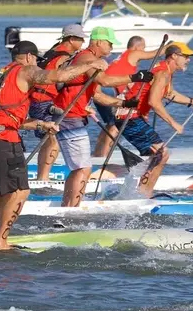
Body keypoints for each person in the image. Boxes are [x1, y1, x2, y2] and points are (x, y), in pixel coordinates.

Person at [0, 41, 106, 250]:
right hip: (4, 140)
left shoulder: (2, 74)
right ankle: (1, 242)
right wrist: (91, 65)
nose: (38, 65)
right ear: (28, 57)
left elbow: (6, 116)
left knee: (3, 192)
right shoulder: (26, 70)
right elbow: (59, 77)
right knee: (20, 192)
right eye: (36, 60)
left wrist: (41, 124)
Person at [52, 27, 153, 207]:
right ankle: (72, 209)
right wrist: (135, 77)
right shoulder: (87, 58)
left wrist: (123, 104)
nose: (112, 48)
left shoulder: (89, 60)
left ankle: (68, 206)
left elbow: (97, 95)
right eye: (110, 43)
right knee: (83, 168)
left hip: (72, 117)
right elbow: (105, 81)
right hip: (70, 117)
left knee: (79, 168)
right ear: (98, 42)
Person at [100, 42, 193, 196]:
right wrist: (173, 123)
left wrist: (192, 101)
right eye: (185, 56)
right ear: (174, 56)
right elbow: (154, 102)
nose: (188, 59)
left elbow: (168, 94)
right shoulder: (162, 73)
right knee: (161, 154)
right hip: (128, 117)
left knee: (158, 154)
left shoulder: (166, 71)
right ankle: (144, 194)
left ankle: (140, 190)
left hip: (129, 116)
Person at [29, 23, 86, 181]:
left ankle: (42, 176)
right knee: (52, 140)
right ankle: (43, 179)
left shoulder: (53, 50)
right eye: (80, 39)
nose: (82, 43)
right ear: (71, 39)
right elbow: (63, 79)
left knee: (49, 139)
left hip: (36, 98)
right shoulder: (64, 57)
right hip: (44, 100)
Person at [92, 36, 164, 157]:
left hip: (99, 89)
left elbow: (128, 84)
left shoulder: (123, 58)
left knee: (110, 124)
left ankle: (98, 154)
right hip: (108, 90)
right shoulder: (133, 54)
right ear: (137, 47)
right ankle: (103, 157)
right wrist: (168, 47)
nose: (144, 51)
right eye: (143, 48)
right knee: (115, 125)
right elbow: (154, 54)